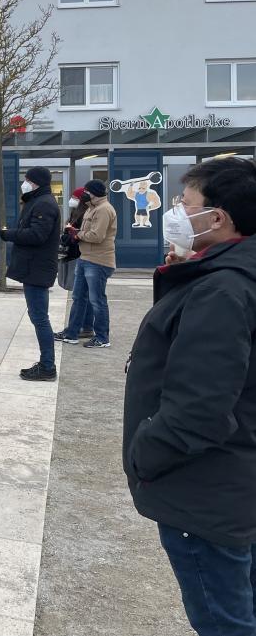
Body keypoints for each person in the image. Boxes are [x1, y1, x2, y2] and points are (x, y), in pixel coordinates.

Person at [123, 157, 256, 635]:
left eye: (185, 203)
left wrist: (145, 456)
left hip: (206, 490)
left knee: (224, 622)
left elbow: (199, 406)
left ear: (216, 218)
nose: (176, 211)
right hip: (233, 480)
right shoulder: (227, 274)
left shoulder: (222, 290)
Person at [0, 167, 61, 382]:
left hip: (37, 269)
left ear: (35, 182)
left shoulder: (44, 203)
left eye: (27, 180)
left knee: (40, 318)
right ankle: (46, 364)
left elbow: (37, 235)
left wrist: (9, 234)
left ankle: (47, 366)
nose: (24, 183)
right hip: (35, 268)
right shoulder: (38, 201)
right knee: (38, 317)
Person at [55, 179, 117, 349]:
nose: (84, 194)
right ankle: (72, 333)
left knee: (97, 300)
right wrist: (76, 232)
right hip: (85, 258)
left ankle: (102, 337)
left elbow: (97, 236)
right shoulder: (92, 208)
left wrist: (77, 234)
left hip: (99, 261)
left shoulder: (104, 209)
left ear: (93, 192)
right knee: (78, 298)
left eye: (87, 192)